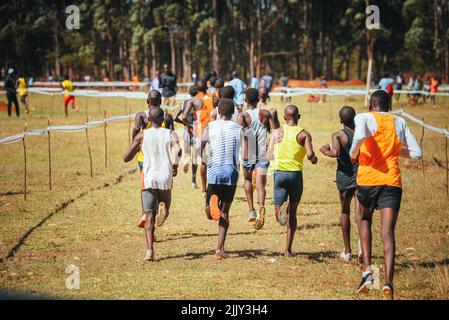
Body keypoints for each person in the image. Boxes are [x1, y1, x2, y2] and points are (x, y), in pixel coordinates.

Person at [350, 90, 422, 300]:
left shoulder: (363, 117)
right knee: (387, 231)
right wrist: (395, 151)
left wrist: (353, 153)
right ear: (389, 106)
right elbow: (417, 153)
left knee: (364, 220)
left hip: (367, 182)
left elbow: (360, 137)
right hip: (392, 182)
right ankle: (389, 282)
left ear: (371, 105)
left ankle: (367, 273)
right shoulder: (399, 121)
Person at [123, 107, 181, 261]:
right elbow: (179, 149)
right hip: (165, 178)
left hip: (148, 178)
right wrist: (175, 165)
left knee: (148, 217)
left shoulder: (142, 135)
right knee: (164, 207)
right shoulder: (170, 133)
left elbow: (126, 157)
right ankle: (163, 208)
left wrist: (137, 147)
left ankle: (149, 251)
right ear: (163, 120)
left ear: (149, 120)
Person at [267, 105, 318, 257]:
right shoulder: (304, 134)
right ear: (299, 117)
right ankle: (288, 250)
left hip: (280, 174)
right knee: (293, 213)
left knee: (279, 214)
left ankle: (281, 214)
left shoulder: (277, 133)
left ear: (284, 118)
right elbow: (309, 155)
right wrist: (314, 158)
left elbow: (269, 153)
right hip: (296, 175)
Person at [201, 98, 243, 260]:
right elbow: (246, 154)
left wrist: (204, 158)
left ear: (218, 112)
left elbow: (200, 147)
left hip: (214, 171)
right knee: (225, 213)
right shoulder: (239, 129)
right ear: (233, 113)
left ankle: (209, 208)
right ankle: (220, 249)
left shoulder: (209, 126)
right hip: (231, 173)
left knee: (210, 209)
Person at [319, 106, 362, 262]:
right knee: (360, 214)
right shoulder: (362, 133)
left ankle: (347, 250)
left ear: (340, 120)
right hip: (360, 177)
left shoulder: (338, 135)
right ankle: (362, 246)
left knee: (345, 211)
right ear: (355, 118)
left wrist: (324, 150)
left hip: (344, 177)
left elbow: (335, 153)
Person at [132, 90, 175, 228]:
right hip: (163, 157)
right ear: (161, 101)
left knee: (147, 187)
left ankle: (146, 213)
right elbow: (172, 137)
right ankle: (160, 208)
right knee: (161, 187)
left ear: (147, 101)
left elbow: (134, 137)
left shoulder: (141, 116)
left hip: (144, 158)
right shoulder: (167, 117)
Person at [237, 88, 276, 228]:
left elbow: (238, 136)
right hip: (262, 153)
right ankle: (262, 207)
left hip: (248, 154)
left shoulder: (242, 116)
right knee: (260, 185)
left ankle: (251, 211)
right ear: (258, 99)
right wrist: (270, 147)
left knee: (247, 180)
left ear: (246, 100)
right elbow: (274, 132)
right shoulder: (265, 113)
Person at [174, 85, 200, 189]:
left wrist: (184, 124)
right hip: (196, 129)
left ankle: (186, 159)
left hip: (186, 129)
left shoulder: (183, 103)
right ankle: (193, 181)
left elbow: (175, 117)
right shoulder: (199, 103)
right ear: (197, 93)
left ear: (189, 93)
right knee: (195, 157)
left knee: (187, 153)